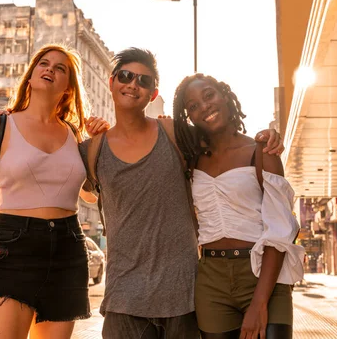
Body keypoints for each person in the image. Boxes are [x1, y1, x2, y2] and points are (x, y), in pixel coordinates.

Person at [81, 48, 284, 339]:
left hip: (184, 297)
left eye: (144, 80)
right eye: (126, 76)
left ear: (153, 94)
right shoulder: (92, 149)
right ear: (111, 81)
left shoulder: (175, 132)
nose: (133, 84)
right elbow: (80, 191)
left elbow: (221, 135)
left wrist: (267, 137)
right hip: (123, 300)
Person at [0, 44, 107, 339]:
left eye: (60, 68)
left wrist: (100, 146)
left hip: (68, 250)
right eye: (43, 63)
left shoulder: (76, 136)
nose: (49, 69)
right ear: (30, 76)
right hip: (14, 247)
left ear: (68, 88)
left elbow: (92, 196)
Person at [173, 73, 304, 339]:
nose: (204, 106)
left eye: (208, 95)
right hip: (211, 280)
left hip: (264, 274)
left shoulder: (261, 153)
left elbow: (280, 231)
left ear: (225, 95)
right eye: (193, 106)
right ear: (189, 117)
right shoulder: (191, 160)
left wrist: (259, 302)